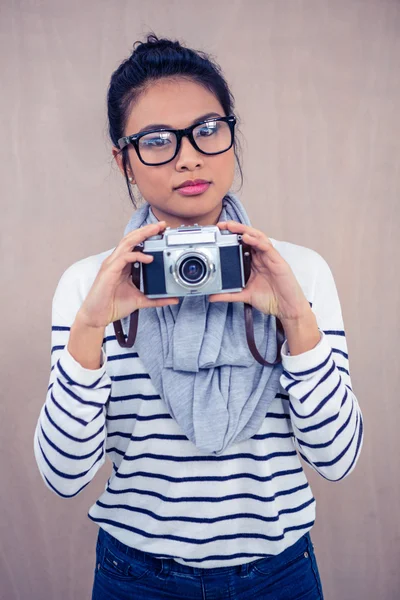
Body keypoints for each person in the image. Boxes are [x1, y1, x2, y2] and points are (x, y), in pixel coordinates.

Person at [33, 33, 363, 600]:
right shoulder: (91, 286)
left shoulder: (298, 272)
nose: (188, 156)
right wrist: (89, 333)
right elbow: (64, 478)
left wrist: (295, 321)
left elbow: (337, 460)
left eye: (208, 130)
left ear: (231, 137)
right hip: (135, 578)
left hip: (277, 575)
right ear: (125, 160)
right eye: (156, 140)